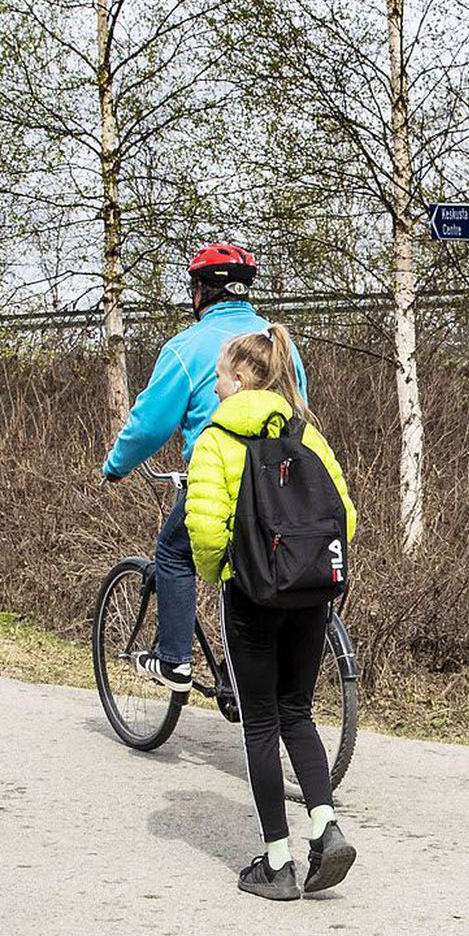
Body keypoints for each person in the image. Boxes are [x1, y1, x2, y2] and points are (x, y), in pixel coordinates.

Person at [183, 324, 357, 901]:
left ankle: (278, 864)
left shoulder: (215, 440)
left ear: (239, 379)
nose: (215, 385)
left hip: (252, 596)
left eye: (220, 376)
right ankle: (325, 825)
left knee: (259, 722)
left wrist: (222, 573)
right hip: (310, 596)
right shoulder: (307, 433)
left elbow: (205, 529)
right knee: (297, 714)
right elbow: (345, 519)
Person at [100, 244, 301, 693]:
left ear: (198, 292)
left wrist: (115, 466)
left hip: (217, 480)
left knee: (173, 552)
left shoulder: (186, 347)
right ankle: (243, 670)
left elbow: (148, 425)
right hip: (284, 483)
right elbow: (300, 413)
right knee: (252, 567)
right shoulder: (275, 342)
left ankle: (174, 660)